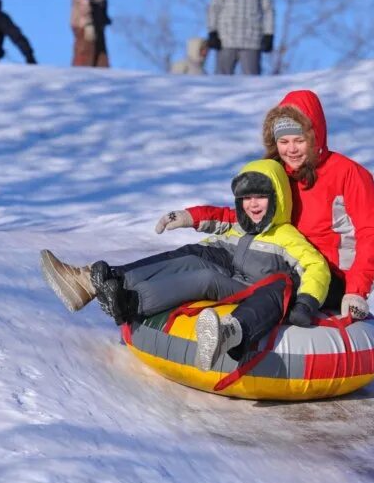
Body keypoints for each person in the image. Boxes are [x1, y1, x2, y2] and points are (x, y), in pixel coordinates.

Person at [40, 159, 330, 371]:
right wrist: (186, 216)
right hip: (226, 272)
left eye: (261, 197)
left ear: (278, 198)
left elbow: (316, 266)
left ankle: (131, 303)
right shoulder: (240, 224)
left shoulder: (287, 237)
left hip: (247, 290)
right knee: (191, 255)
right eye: (246, 198)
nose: (253, 205)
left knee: (204, 277)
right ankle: (94, 281)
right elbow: (217, 216)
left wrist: (307, 302)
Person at [155, 90, 374, 320]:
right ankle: (141, 294)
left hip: (329, 277)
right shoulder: (277, 172)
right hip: (282, 259)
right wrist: (192, 217)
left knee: (279, 286)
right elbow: (250, 215)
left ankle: (234, 332)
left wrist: (356, 290)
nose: (291, 149)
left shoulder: (349, 174)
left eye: (299, 140)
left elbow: (373, 235)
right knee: (209, 257)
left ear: (315, 136)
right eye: (284, 141)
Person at [207, 0, 274, 75]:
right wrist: (212, 32)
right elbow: (214, 9)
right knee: (221, 83)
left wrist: (269, 34)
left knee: (253, 84)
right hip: (226, 41)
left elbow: (268, 10)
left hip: (252, 42)